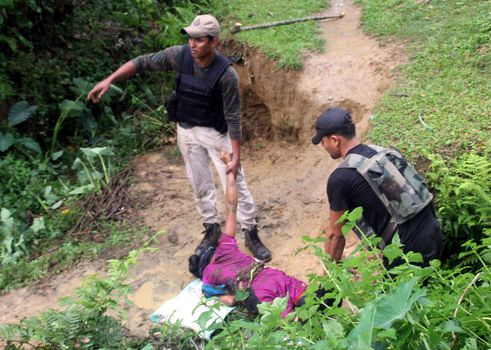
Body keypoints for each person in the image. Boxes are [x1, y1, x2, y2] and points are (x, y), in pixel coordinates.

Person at [87, 14, 271, 261]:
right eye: (190, 39)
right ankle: (211, 228)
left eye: (199, 40)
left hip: (217, 135)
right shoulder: (180, 55)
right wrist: (110, 79)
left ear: (214, 42)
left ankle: (250, 230)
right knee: (199, 182)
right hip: (186, 130)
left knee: (236, 182)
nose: (193, 45)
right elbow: (142, 62)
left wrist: (235, 156)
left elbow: (234, 117)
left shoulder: (226, 75)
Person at [312, 107, 444, 267]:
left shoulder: (340, 178)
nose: (323, 146)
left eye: (323, 141)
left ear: (334, 140)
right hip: (433, 230)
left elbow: (335, 236)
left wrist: (329, 280)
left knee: (406, 292)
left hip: (407, 252)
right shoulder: (383, 152)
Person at [188, 151, 309, 318]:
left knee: (293, 326)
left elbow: (229, 300)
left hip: (259, 292)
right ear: (213, 252)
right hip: (274, 276)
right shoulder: (225, 247)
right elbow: (231, 206)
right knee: (316, 302)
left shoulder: (208, 277)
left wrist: (233, 299)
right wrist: (229, 171)